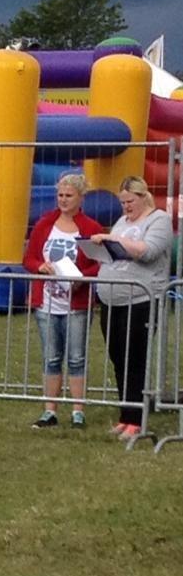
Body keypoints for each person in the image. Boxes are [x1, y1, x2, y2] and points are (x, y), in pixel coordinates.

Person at [92, 176, 173, 442]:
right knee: (117, 356)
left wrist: (113, 240)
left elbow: (148, 251)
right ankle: (126, 415)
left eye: (130, 201)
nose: (126, 207)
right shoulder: (122, 222)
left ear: (142, 197)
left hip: (141, 300)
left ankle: (137, 419)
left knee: (134, 357)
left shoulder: (158, 220)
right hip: (112, 299)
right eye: (122, 202)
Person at [23, 172, 104, 429]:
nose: (63, 200)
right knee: (51, 356)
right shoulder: (45, 224)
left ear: (81, 198)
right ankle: (50, 410)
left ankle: (78, 410)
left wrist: (83, 279)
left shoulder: (91, 228)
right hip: (46, 302)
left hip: (76, 303)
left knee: (77, 357)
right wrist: (40, 266)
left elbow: (100, 263)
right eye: (60, 195)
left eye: (69, 196)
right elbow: (29, 259)